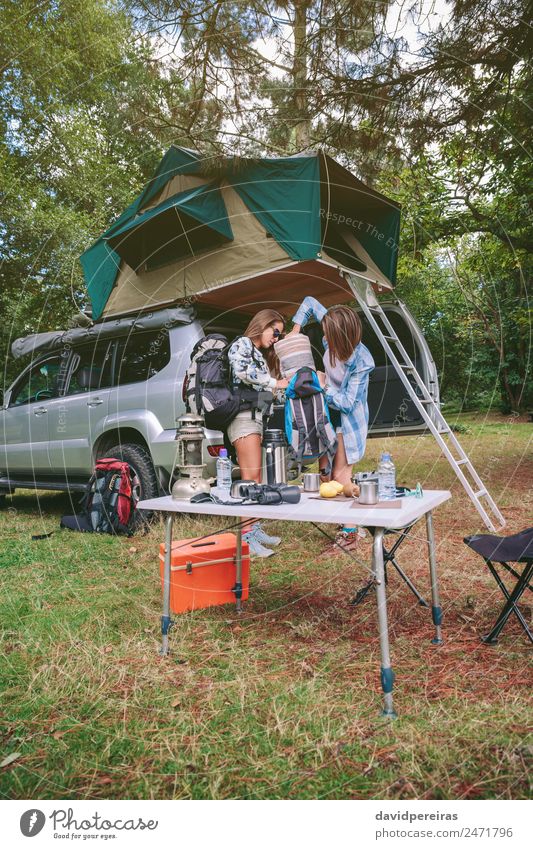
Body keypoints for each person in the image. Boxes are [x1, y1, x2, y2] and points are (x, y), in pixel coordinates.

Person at [288, 296, 375, 553]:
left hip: (348, 421)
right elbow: (309, 302)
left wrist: (323, 386)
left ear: (339, 335)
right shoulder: (334, 326)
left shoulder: (362, 361)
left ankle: (350, 533)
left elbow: (348, 403)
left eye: (327, 333)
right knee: (325, 473)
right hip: (327, 415)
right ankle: (341, 519)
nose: (323, 335)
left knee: (340, 475)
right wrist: (295, 331)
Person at [227, 309, 289, 557]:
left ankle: (255, 529)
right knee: (249, 479)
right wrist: (275, 383)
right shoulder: (241, 344)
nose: (276, 338)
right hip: (242, 418)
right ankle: (246, 539)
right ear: (262, 324)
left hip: (255, 418)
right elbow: (242, 372)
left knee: (256, 479)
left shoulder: (260, 355)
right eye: (275, 332)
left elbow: (265, 386)